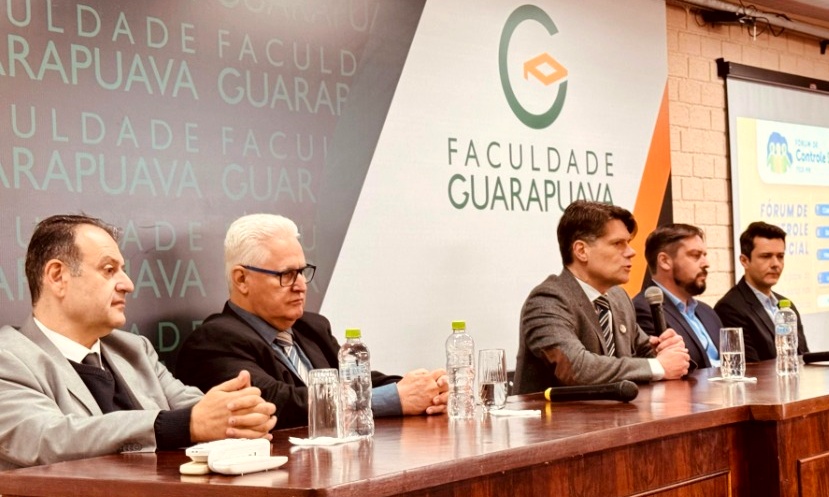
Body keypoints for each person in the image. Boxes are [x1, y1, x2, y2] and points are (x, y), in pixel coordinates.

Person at [0, 215, 276, 471]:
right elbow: (47, 438)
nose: (128, 284)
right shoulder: (9, 358)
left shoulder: (134, 349)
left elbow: (192, 408)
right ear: (57, 277)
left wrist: (236, 415)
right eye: (109, 270)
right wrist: (181, 425)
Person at [176, 213, 448, 429]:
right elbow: (277, 404)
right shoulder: (214, 341)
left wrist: (425, 391)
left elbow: (356, 381)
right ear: (242, 279)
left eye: (303, 272)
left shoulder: (312, 327)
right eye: (286, 274)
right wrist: (394, 399)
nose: (301, 285)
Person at [514, 201, 690, 394]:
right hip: (553, 422)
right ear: (581, 251)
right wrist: (658, 367)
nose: (631, 252)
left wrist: (665, 352)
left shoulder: (617, 297)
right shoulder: (547, 301)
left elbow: (642, 351)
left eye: (628, 243)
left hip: (616, 419)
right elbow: (576, 368)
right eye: (617, 244)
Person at [714, 222, 809, 362]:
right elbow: (752, 369)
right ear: (744, 261)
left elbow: (804, 356)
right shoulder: (730, 308)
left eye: (780, 256)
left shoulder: (787, 307)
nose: (775, 264)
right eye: (766, 256)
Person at [632, 224, 722, 370]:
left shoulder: (707, 312)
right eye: (695, 255)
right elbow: (674, 370)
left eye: (705, 255)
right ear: (664, 261)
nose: (706, 264)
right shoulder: (644, 310)